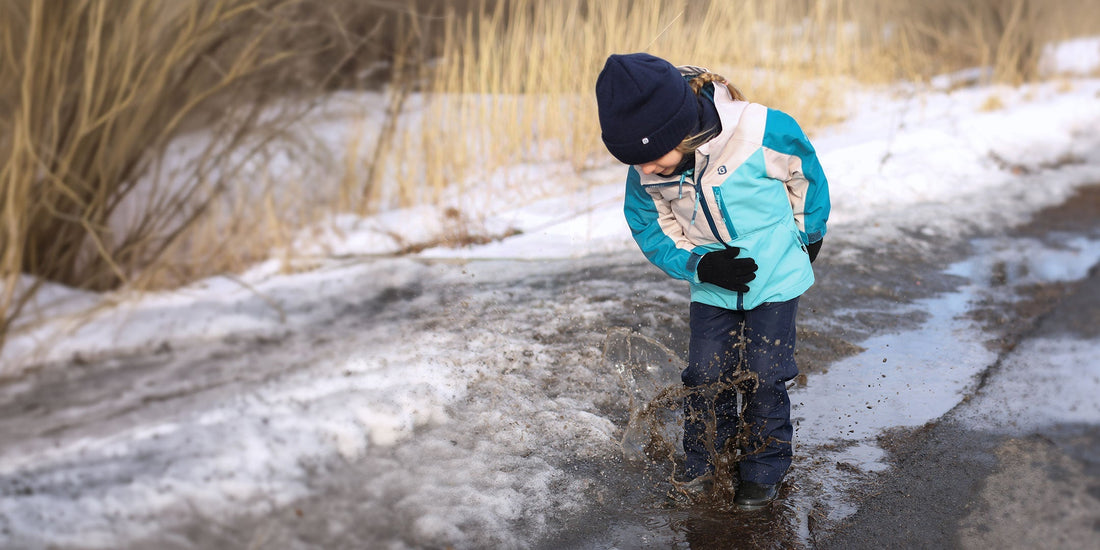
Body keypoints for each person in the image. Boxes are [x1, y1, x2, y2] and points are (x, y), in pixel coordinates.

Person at [594, 53, 830, 510]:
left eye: (647, 159)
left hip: (776, 274)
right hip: (712, 281)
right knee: (704, 373)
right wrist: (698, 265)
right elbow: (650, 226)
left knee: (764, 373)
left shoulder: (761, 131)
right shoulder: (649, 166)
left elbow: (806, 175)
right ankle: (705, 458)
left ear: (679, 131)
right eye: (632, 162)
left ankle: (763, 467)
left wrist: (808, 234)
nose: (642, 171)